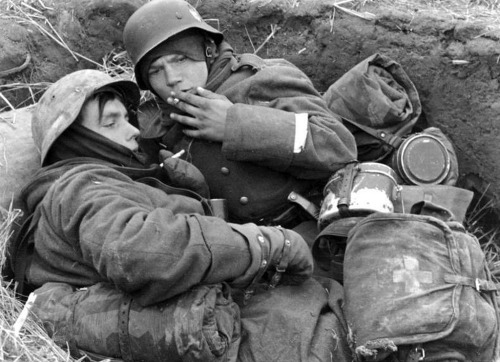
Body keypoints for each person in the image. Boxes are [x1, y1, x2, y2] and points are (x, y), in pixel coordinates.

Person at [17, 69, 352, 361]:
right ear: (77, 141)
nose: (133, 130)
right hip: (232, 332)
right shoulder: (80, 187)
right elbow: (142, 252)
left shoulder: (108, 182)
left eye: (127, 117)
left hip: (231, 317)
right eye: (111, 122)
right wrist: (266, 243)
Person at [122, 0, 357, 243]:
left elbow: (338, 146)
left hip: (318, 231)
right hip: (244, 252)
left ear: (208, 51)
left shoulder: (261, 79)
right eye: (155, 71)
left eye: (180, 59)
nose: (171, 78)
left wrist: (234, 124)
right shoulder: (155, 129)